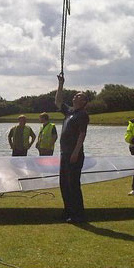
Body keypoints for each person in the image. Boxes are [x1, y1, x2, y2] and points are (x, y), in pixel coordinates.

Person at [54, 75, 89, 223]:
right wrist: (61, 84)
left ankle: (78, 214)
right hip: (64, 152)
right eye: (75, 95)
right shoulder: (69, 112)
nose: (75, 97)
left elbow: (82, 134)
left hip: (74, 154)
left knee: (73, 184)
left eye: (78, 96)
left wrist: (76, 152)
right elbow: (58, 102)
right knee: (64, 183)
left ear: (83, 102)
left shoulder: (82, 115)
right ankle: (68, 210)